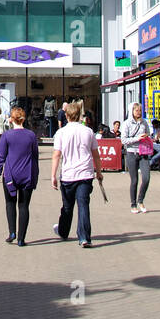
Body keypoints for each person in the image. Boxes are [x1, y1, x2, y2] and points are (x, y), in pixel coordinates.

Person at [51, 100, 104, 247]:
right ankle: (84, 237)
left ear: (67, 116)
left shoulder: (61, 133)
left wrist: (53, 176)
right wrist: (98, 172)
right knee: (83, 205)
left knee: (67, 206)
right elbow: (96, 155)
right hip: (85, 174)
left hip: (68, 175)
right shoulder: (88, 132)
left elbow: (56, 155)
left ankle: (63, 231)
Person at [0, 105, 39, 247]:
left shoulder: (7, 136)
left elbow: (1, 158)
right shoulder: (31, 135)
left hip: (10, 176)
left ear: (11, 120)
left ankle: (12, 233)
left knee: (10, 203)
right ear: (23, 119)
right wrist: (35, 176)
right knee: (24, 206)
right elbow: (35, 157)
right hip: (27, 175)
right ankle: (21, 239)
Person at [121, 102, 153, 214]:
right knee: (134, 180)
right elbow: (123, 140)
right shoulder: (126, 124)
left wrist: (146, 136)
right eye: (136, 111)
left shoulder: (144, 122)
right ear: (132, 111)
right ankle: (133, 204)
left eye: (140, 110)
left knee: (146, 178)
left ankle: (141, 200)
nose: (138, 113)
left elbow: (148, 133)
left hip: (143, 152)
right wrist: (137, 138)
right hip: (131, 153)